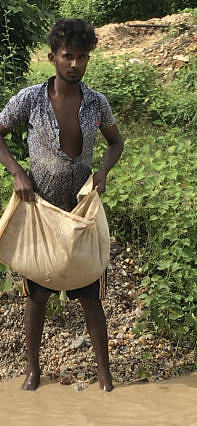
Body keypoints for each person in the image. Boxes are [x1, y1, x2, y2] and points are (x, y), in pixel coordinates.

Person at [0, 18, 124, 391]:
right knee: (36, 297)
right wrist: (18, 173)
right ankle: (32, 372)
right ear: (53, 57)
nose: (75, 64)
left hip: (80, 212)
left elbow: (116, 143)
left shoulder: (96, 104)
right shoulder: (30, 100)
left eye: (82, 57)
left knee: (91, 296)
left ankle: (105, 379)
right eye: (68, 56)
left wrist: (102, 172)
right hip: (40, 211)